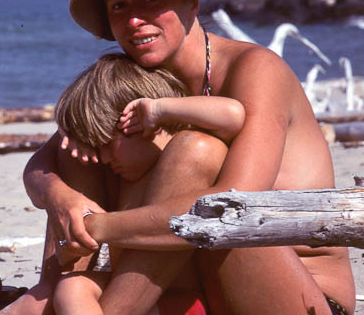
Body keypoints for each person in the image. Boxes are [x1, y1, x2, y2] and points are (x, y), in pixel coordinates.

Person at [14, 0, 355, 315]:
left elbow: (232, 210)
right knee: (85, 143)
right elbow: (46, 161)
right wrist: (61, 198)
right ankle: (50, 290)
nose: (134, 20)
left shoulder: (254, 70)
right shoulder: (134, 77)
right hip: (198, 290)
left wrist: (96, 226)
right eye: (119, 6)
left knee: (194, 150)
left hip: (299, 296)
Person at [51, 52, 244, 314]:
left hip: (190, 301)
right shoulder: (126, 177)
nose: (103, 158)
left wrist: (159, 109)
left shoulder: (195, 154)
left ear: (142, 123)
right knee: (72, 287)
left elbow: (233, 115)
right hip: (142, 299)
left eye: (106, 143)